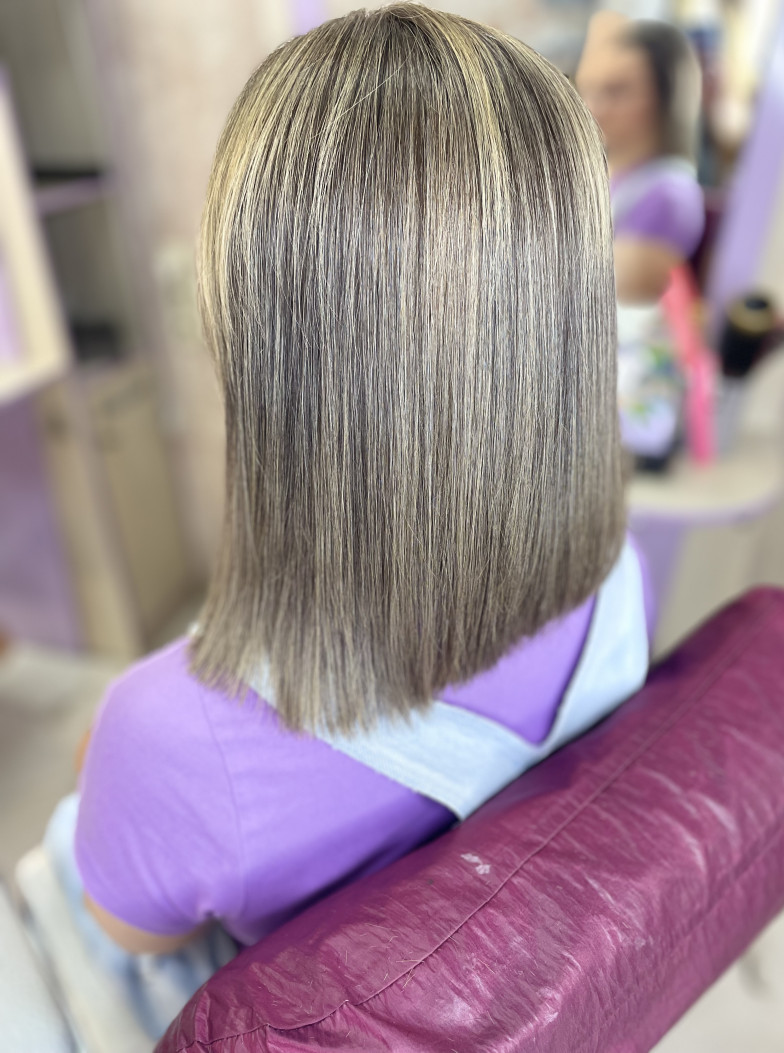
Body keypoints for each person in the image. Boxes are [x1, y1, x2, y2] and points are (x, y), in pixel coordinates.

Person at [35, 3, 651, 1037]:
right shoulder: (619, 574)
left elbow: (126, 936)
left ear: (258, 335)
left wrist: (119, 769)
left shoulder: (175, 737)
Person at [577, 13, 705, 463]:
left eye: (618, 91)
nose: (594, 105)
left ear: (665, 98)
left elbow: (605, 306)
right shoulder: (607, 179)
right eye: (591, 89)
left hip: (619, 410)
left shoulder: (668, 195)